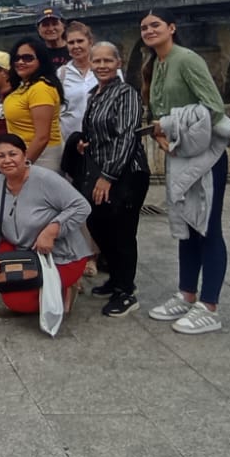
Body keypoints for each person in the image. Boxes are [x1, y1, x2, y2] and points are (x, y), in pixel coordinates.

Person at [139, 10, 230, 336]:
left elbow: (214, 106)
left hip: (205, 154)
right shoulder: (155, 64)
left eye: (155, 25)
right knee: (187, 224)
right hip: (179, 152)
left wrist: (166, 125)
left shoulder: (188, 59)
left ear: (172, 28)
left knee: (207, 225)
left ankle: (209, 306)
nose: (149, 30)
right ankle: (186, 293)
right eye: (144, 27)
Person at [0, 134, 91, 315]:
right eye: (1, 156)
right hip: (23, 249)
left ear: (24, 155)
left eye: (13, 154)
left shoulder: (44, 179)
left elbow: (82, 206)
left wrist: (53, 229)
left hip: (59, 254)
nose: (7, 160)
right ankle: (29, 288)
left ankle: (66, 287)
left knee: (22, 303)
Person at [78, 42, 150, 317]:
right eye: (97, 61)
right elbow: (98, 131)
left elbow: (127, 135)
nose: (102, 65)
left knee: (122, 232)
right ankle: (117, 278)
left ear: (118, 63)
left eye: (108, 60)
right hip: (100, 171)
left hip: (126, 173)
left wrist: (108, 176)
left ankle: (126, 291)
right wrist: (85, 144)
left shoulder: (126, 93)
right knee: (98, 222)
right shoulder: (94, 94)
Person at [4, 38, 62, 172]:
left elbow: (42, 137)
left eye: (28, 58)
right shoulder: (24, 86)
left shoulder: (41, 88)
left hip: (40, 158)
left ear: (40, 61)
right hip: (22, 155)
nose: (20, 62)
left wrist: (22, 166)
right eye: (17, 58)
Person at [55, 22, 98, 176]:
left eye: (80, 41)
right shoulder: (62, 74)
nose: (76, 46)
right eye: (71, 42)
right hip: (70, 144)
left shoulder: (105, 69)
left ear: (90, 42)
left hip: (100, 143)